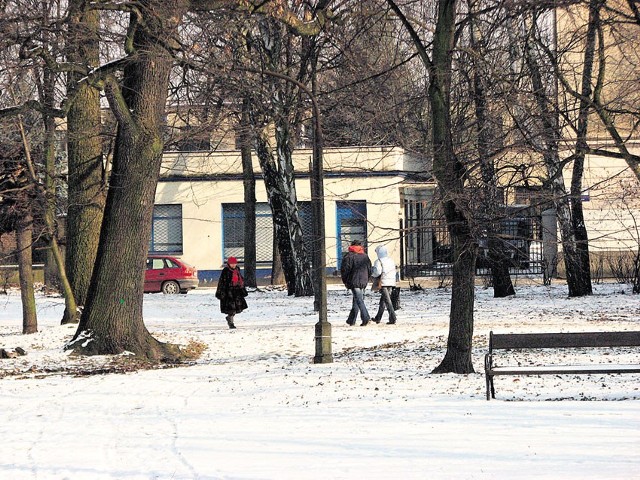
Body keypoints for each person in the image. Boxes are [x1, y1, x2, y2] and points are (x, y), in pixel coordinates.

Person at [340, 240, 372, 326]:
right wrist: (367, 278)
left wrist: (345, 281)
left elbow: (345, 270)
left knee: (359, 300)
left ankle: (366, 318)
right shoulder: (365, 256)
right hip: (363, 280)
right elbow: (370, 270)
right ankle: (351, 320)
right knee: (357, 299)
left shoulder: (349, 256)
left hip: (353, 280)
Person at [215, 257, 248, 329]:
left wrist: (242, 288)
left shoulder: (237, 270)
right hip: (228, 292)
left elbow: (240, 279)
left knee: (236, 308)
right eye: (231, 264)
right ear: (228, 264)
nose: (233, 265)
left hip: (237, 291)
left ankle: (229, 318)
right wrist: (221, 292)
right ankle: (231, 322)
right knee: (231, 309)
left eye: (234, 263)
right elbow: (222, 282)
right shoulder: (226, 271)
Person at [371, 245, 397, 325]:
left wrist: (373, 275)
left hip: (383, 282)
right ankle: (378, 318)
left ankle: (393, 318)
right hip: (391, 282)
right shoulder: (391, 260)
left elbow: (377, 272)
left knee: (387, 301)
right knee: (383, 301)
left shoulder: (378, 261)